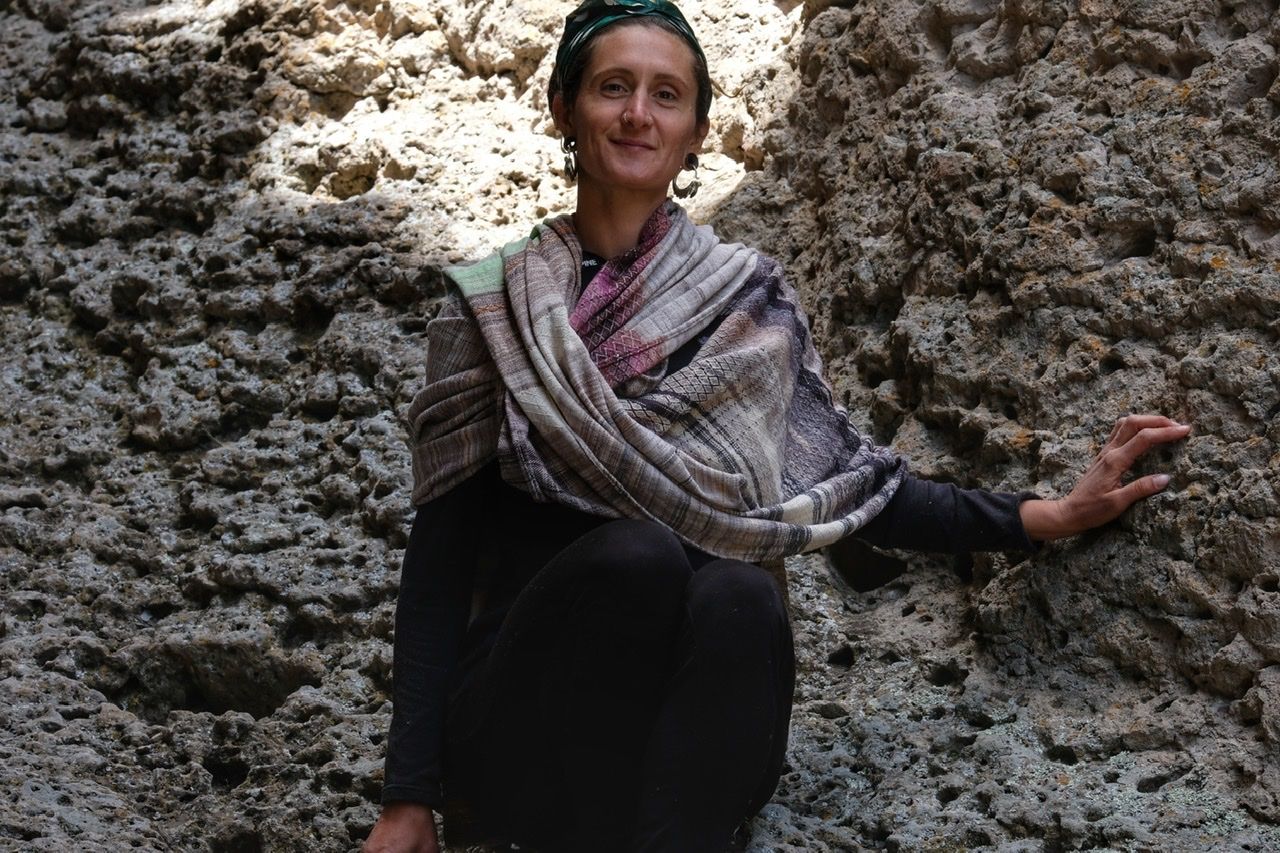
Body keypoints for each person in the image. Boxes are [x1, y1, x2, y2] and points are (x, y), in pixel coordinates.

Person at [362, 2, 1192, 851]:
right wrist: (406, 796)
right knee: (638, 553)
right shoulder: (495, 309)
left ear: (696, 133)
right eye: (614, 87)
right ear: (565, 109)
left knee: (741, 590)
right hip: (522, 731)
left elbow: (847, 482)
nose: (638, 113)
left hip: (692, 731)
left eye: (666, 95)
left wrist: (1045, 515)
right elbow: (440, 559)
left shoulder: (745, 301)